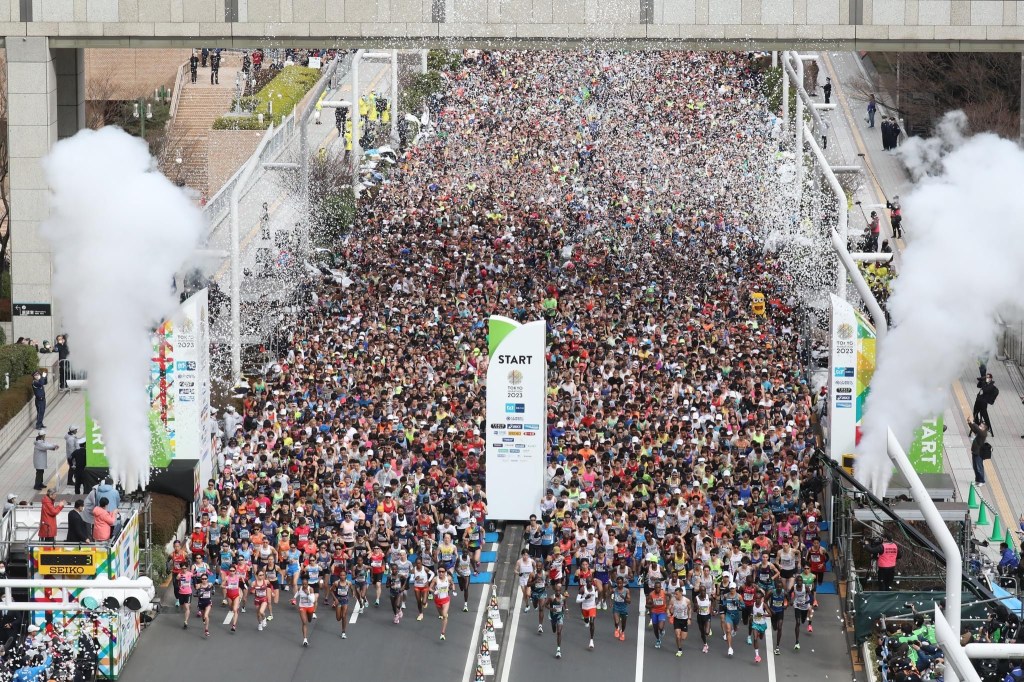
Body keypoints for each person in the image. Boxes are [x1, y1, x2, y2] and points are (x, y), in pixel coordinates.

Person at [575, 575, 599, 650]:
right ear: (586, 582)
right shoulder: (582, 589)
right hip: (584, 607)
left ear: (592, 582)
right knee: (586, 621)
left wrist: (596, 602)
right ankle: (586, 620)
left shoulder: (595, 588)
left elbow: (597, 597)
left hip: (592, 607)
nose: (589, 583)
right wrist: (585, 598)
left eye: (590, 582)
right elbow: (577, 600)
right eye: (588, 582)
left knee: (592, 622)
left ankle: (591, 640)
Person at [546, 581, 566, 658]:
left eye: (559, 591)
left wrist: (566, 610)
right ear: (555, 591)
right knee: (554, 629)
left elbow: (564, 604)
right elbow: (545, 605)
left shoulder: (563, 598)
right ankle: (553, 625)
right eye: (556, 591)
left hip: (560, 616)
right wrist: (551, 609)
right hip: (552, 616)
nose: (558, 592)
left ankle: (558, 650)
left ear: (561, 591)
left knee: (559, 632)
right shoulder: (551, 598)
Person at [669, 586, 691, 657]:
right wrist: (669, 612)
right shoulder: (673, 600)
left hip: (684, 620)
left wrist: (689, 618)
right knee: (678, 636)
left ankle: (678, 640)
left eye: (677, 594)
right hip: (677, 619)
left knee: (683, 637)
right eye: (675, 594)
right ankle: (679, 650)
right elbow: (669, 608)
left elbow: (690, 609)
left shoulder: (687, 600)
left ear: (681, 593)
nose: (675, 595)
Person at [969, 419, 991, 485]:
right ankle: (977, 480)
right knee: (975, 467)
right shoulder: (980, 433)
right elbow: (974, 429)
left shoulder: (983, 434)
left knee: (979, 467)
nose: (979, 427)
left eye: (981, 426)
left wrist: (973, 422)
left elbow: (977, 429)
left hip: (979, 453)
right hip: (975, 451)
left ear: (984, 429)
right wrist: (969, 423)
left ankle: (981, 481)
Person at [296, 582, 318, 647]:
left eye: (305, 584)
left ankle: (311, 616)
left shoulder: (310, 589)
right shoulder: (300, 588)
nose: (304, 585)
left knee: (309, 620)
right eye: (303, 584)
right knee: (304, 622)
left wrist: (308, 594)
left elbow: (313, 600)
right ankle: (305, 640)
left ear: (307, 584)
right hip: (302, 607)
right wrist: (294, 598)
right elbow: (298, 593)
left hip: (310, 607)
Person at [792, 579, 812, 649]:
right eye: (798, 581)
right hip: (797, 605)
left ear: (802, 582)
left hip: (804, 606)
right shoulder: (794, 587)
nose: (799, 582)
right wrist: (790, 600)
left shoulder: (806, 587)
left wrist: (804, 603)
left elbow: (811, 599)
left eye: (800, 581)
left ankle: (807, 622)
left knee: (803, 621)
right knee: (798, 623)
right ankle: (797, 642)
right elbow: (789, 593)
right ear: (796, 582)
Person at [195, 573, 214, 638]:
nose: (204, 580)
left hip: (208, 602)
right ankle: (203, 620)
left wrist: (213, 591)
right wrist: (198, 594)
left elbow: (213, 588)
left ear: (207, 579)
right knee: (203, 616)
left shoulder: (210, 584)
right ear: (201, 579)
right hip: (201, 602)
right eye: (203, 579)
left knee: (206, 615)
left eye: (205, 579)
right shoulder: (198, 585)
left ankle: (206, 630)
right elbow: (196, 593)